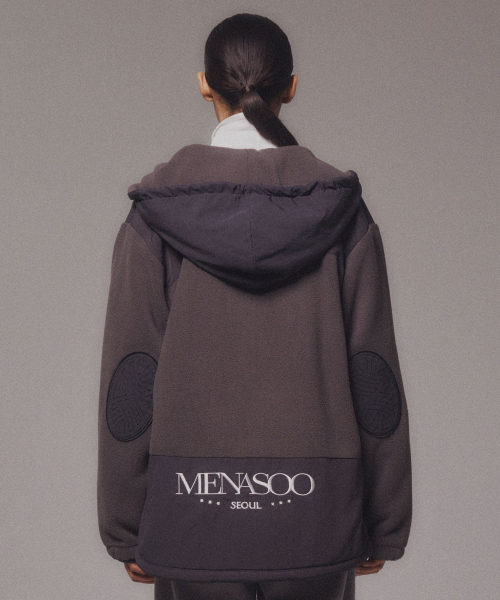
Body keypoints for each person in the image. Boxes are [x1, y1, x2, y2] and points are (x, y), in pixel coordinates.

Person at [97, 13, 412, 600]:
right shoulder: (343, 215)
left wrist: (128, 528)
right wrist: (384, 523)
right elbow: (374, 375)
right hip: (318, 512)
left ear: (204, 84)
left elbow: (131, 378)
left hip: (190, 509)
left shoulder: (155, 219)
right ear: (290, 86)